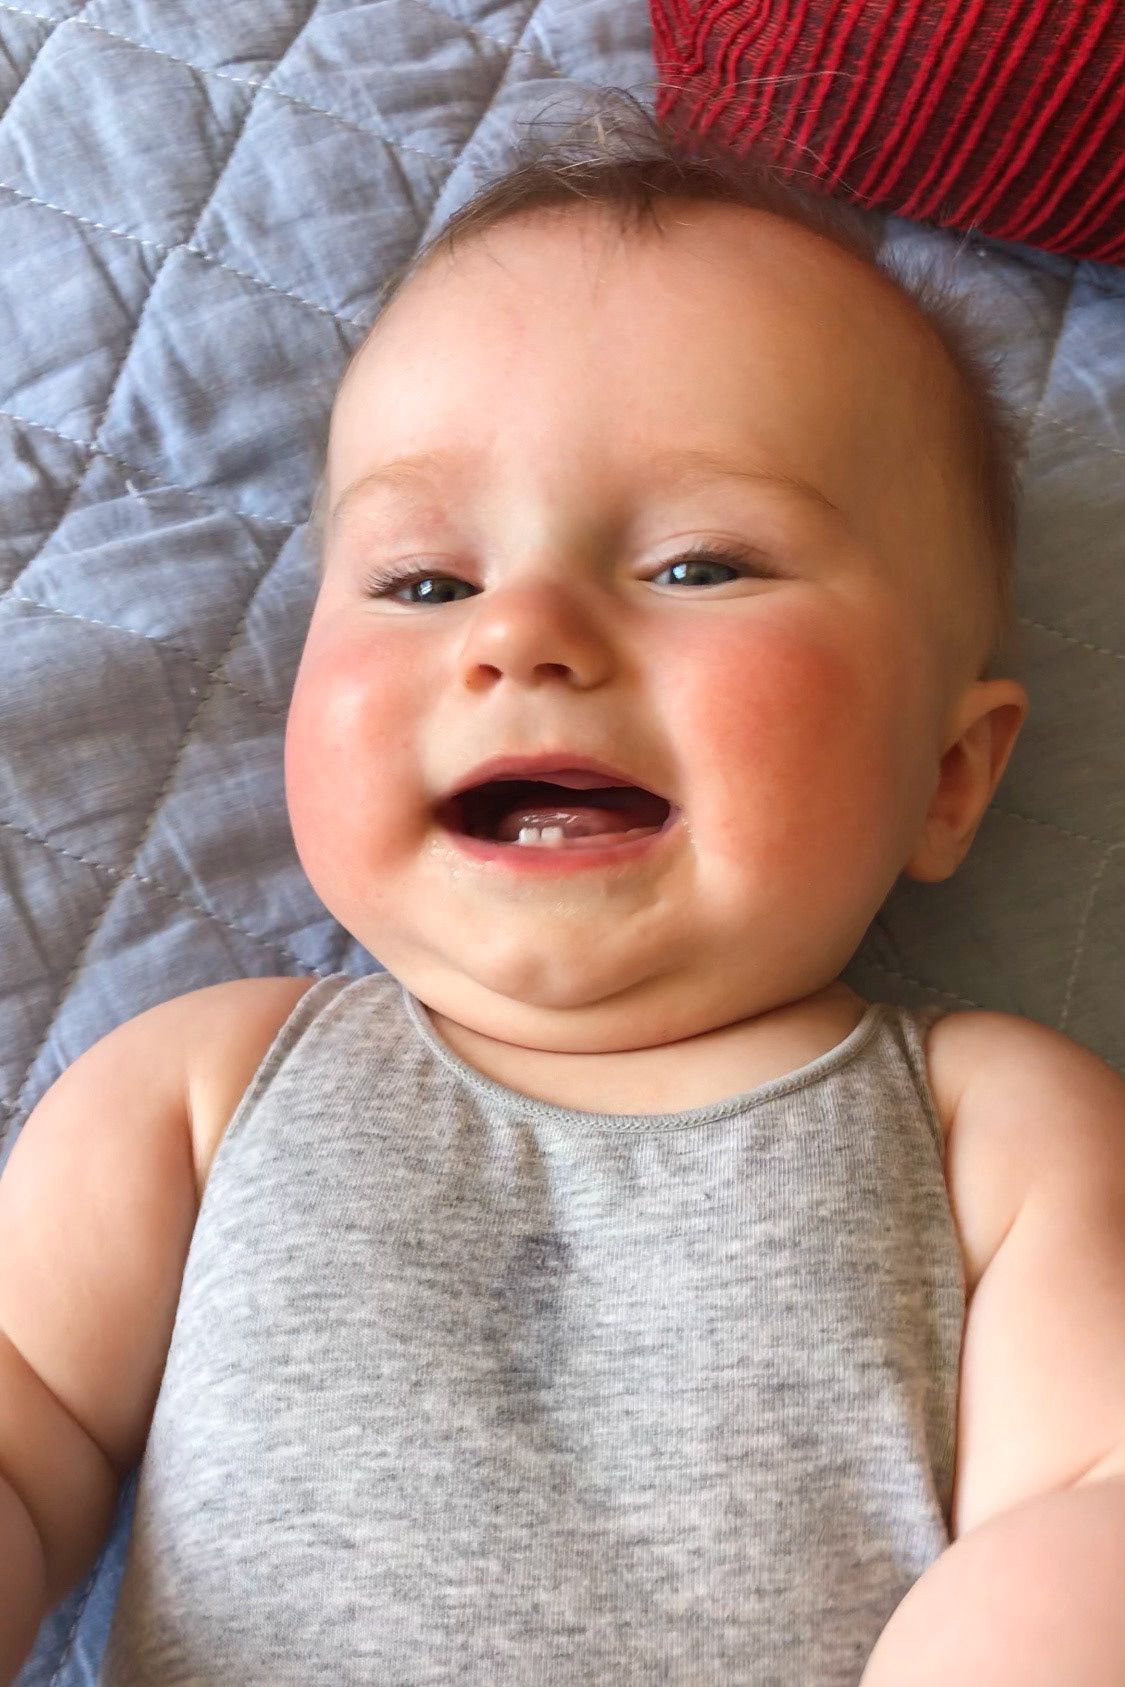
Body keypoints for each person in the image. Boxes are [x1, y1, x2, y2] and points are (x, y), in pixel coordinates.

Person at [2, 170, 1123, 1687]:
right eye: (423, 580)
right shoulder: (198, 1090)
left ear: (947, 779)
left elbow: (1087, 1503)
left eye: (698, 565)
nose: (519, 633)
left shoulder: (997, 1131)